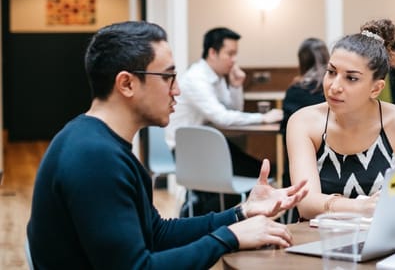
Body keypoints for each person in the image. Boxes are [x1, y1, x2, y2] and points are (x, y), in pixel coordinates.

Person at [26, 21, 308, 270]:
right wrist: (230, 238)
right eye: (167, 77)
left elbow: (156, 234)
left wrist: (242, 212)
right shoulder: (95, 158)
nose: (177, 90)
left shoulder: (96, 141)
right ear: (126, 84)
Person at [286, 19, 395, 220]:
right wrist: (361, 207)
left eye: (351, 78)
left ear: (376, 88)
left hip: (385, 240)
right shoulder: (304, 122)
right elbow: (307, 204)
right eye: (331, 72)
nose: (334, 86)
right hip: (317, 240)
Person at [166, 27, 283, 213]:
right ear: (213, 52)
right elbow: (222, 118)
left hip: (207, 147)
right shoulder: (196, 79)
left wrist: (236, 87)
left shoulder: (217, 78)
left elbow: (233, 111)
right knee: (260, 171)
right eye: (230, 53)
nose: (234, 59)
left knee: (260, 169)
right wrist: (263, 118)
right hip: (189, 152)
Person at [279, 38, 329, 138]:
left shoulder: (294, 90)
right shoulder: (332, 88)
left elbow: (285, 129)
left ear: (301, 61)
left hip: (296, 147)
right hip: (329, 148)